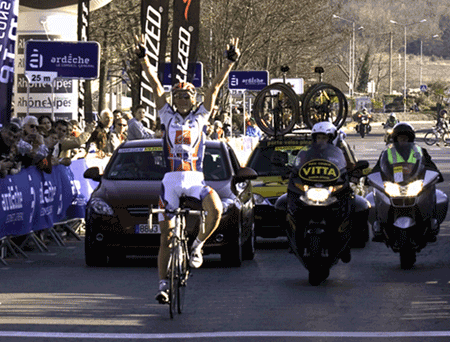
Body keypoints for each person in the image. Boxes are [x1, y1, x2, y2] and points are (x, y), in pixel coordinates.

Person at [136, 35, 240, 304]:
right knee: (166, 239)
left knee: (216, 208)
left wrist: (229, 62)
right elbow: (155, 84)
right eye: (179, 95)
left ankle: (197, 246)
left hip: (195, 179)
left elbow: (215, 88)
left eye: (188, 95)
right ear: (174, 98)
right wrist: (144, 58)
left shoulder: (200, 116)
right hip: (170, 181)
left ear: (194, 99)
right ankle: (162, 285)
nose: (183, 98)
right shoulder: (166, 115)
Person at [371, 122, 443, 241]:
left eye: (406, 138)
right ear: (395, 139)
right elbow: (379, 167)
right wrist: (371, 177)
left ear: (410, 138)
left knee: (436, 194)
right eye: (400, 138)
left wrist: (435, 175)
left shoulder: (420, 151)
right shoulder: (387, 153)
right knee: (372, 197)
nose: (403, 140)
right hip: (394, 184)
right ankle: (380, 224)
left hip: (414, 183)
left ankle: (430, 224)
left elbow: (430, 166)